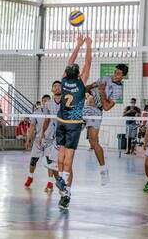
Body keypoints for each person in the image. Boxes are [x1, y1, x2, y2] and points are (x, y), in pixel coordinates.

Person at [54, 35, 91, 210]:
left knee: (60, 157)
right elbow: (88, 63)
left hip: (60, 121)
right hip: (74, 123)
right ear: (78, 74)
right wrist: (89, 46)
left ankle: (62, 185)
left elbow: (71, 60)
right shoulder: (81, 83)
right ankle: (64, 185)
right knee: (68, 159)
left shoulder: (63, 81)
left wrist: (78, 44)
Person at [83, 63, 128, 185]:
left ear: (123, 76)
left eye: (118, 74)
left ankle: (103, 171)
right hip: (85, 106)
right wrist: (82, 89)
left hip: (96, 111)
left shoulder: (118, 90)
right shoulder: (105, 78)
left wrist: (102, 92)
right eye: (115, 72)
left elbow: (107, 107)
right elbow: (90, 86)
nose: (115, 75)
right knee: (70, 128)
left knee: (93, 142)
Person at [24, 94, 54, 192]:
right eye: (44, 101)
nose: (46, 102)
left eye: (48, 101)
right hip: (38, 140)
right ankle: (30, 177)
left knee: (50, 162)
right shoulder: (36, 113)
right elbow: (32, 127)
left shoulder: (55, 112)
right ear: (41, 102)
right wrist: (28, 140)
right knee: (33, 160)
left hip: (50, 140)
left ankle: (50, 182)